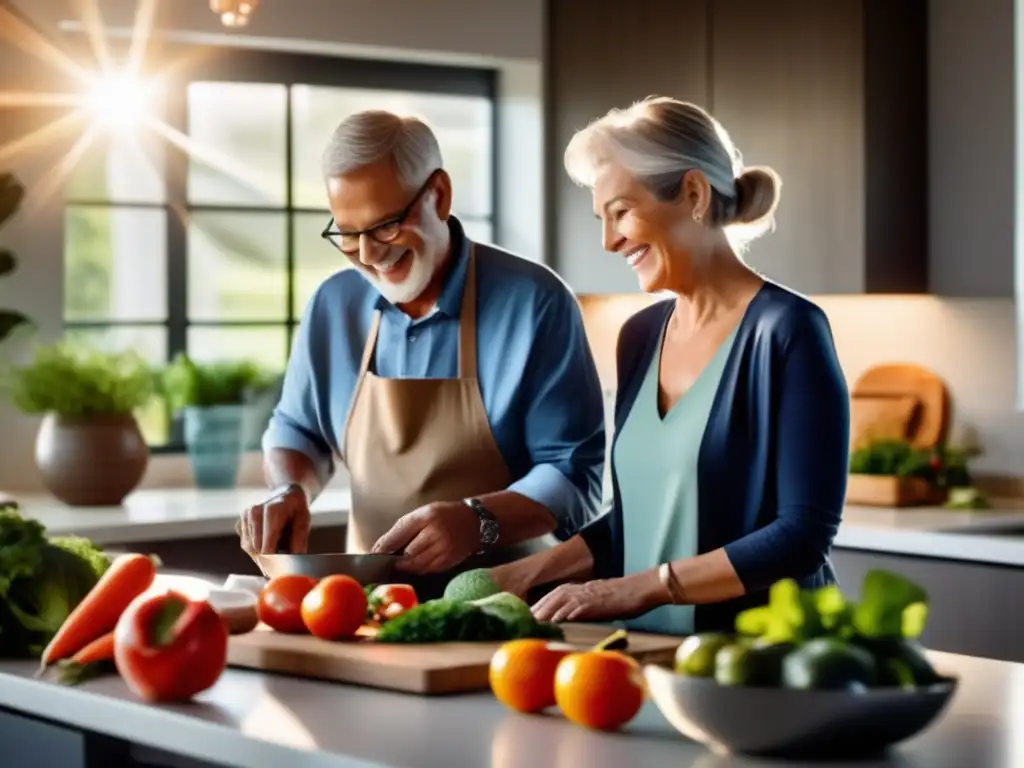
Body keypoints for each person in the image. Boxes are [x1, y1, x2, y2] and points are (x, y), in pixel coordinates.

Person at [490, 96, 851, 634]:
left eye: (621, 212)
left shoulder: (787, 331)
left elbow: (800, 536)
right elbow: (642, 522)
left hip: (763, 658)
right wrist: (523, 574)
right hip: (648, 654)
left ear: (693, 194)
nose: (608, 241)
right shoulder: (639, 337)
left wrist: (636, 588)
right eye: (601, 218)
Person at [237, 110, 606, 596]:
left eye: (386, 226)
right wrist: (291, 488)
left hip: (508, 607)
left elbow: (575, 474)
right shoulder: (333, 305)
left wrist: (478, 521)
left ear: (440, 194)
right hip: (369, 610)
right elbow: (297, 431)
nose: (368, 255)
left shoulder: (535, 302)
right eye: (347, 234)